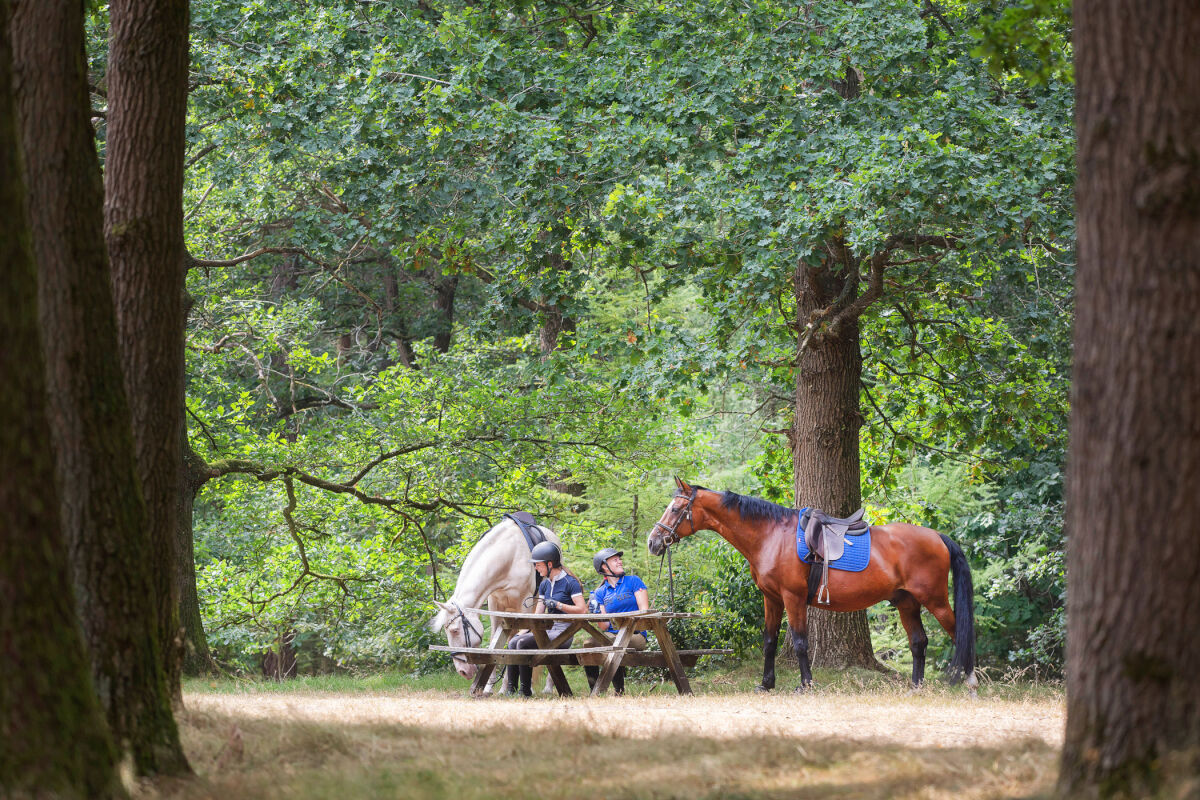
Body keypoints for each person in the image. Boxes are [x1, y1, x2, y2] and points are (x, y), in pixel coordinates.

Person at [505, 541, 587, 697]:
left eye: (538, 565)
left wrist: (558, 605)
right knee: (514, 641)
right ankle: (511, 689)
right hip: (548, 630)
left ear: (550, 564)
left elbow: (582, 610)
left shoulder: (571, 583)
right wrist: (524, 630)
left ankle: (525, 690)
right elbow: (539, 614)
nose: (536, 568)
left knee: (522, 644)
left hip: (564, 633)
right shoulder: (544, 585)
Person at [584, 547, 650, 695]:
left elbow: (644, 611)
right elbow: (604, 626)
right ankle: (594, 690)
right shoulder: (600, 592)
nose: (620, 562)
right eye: (615, 560)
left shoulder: (633, 581)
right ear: (604, 566)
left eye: (619, 559)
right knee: (588, 643)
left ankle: (618, 690)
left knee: (614, 643)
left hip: (636, 635)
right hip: (613, 636)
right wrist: (595, 613)